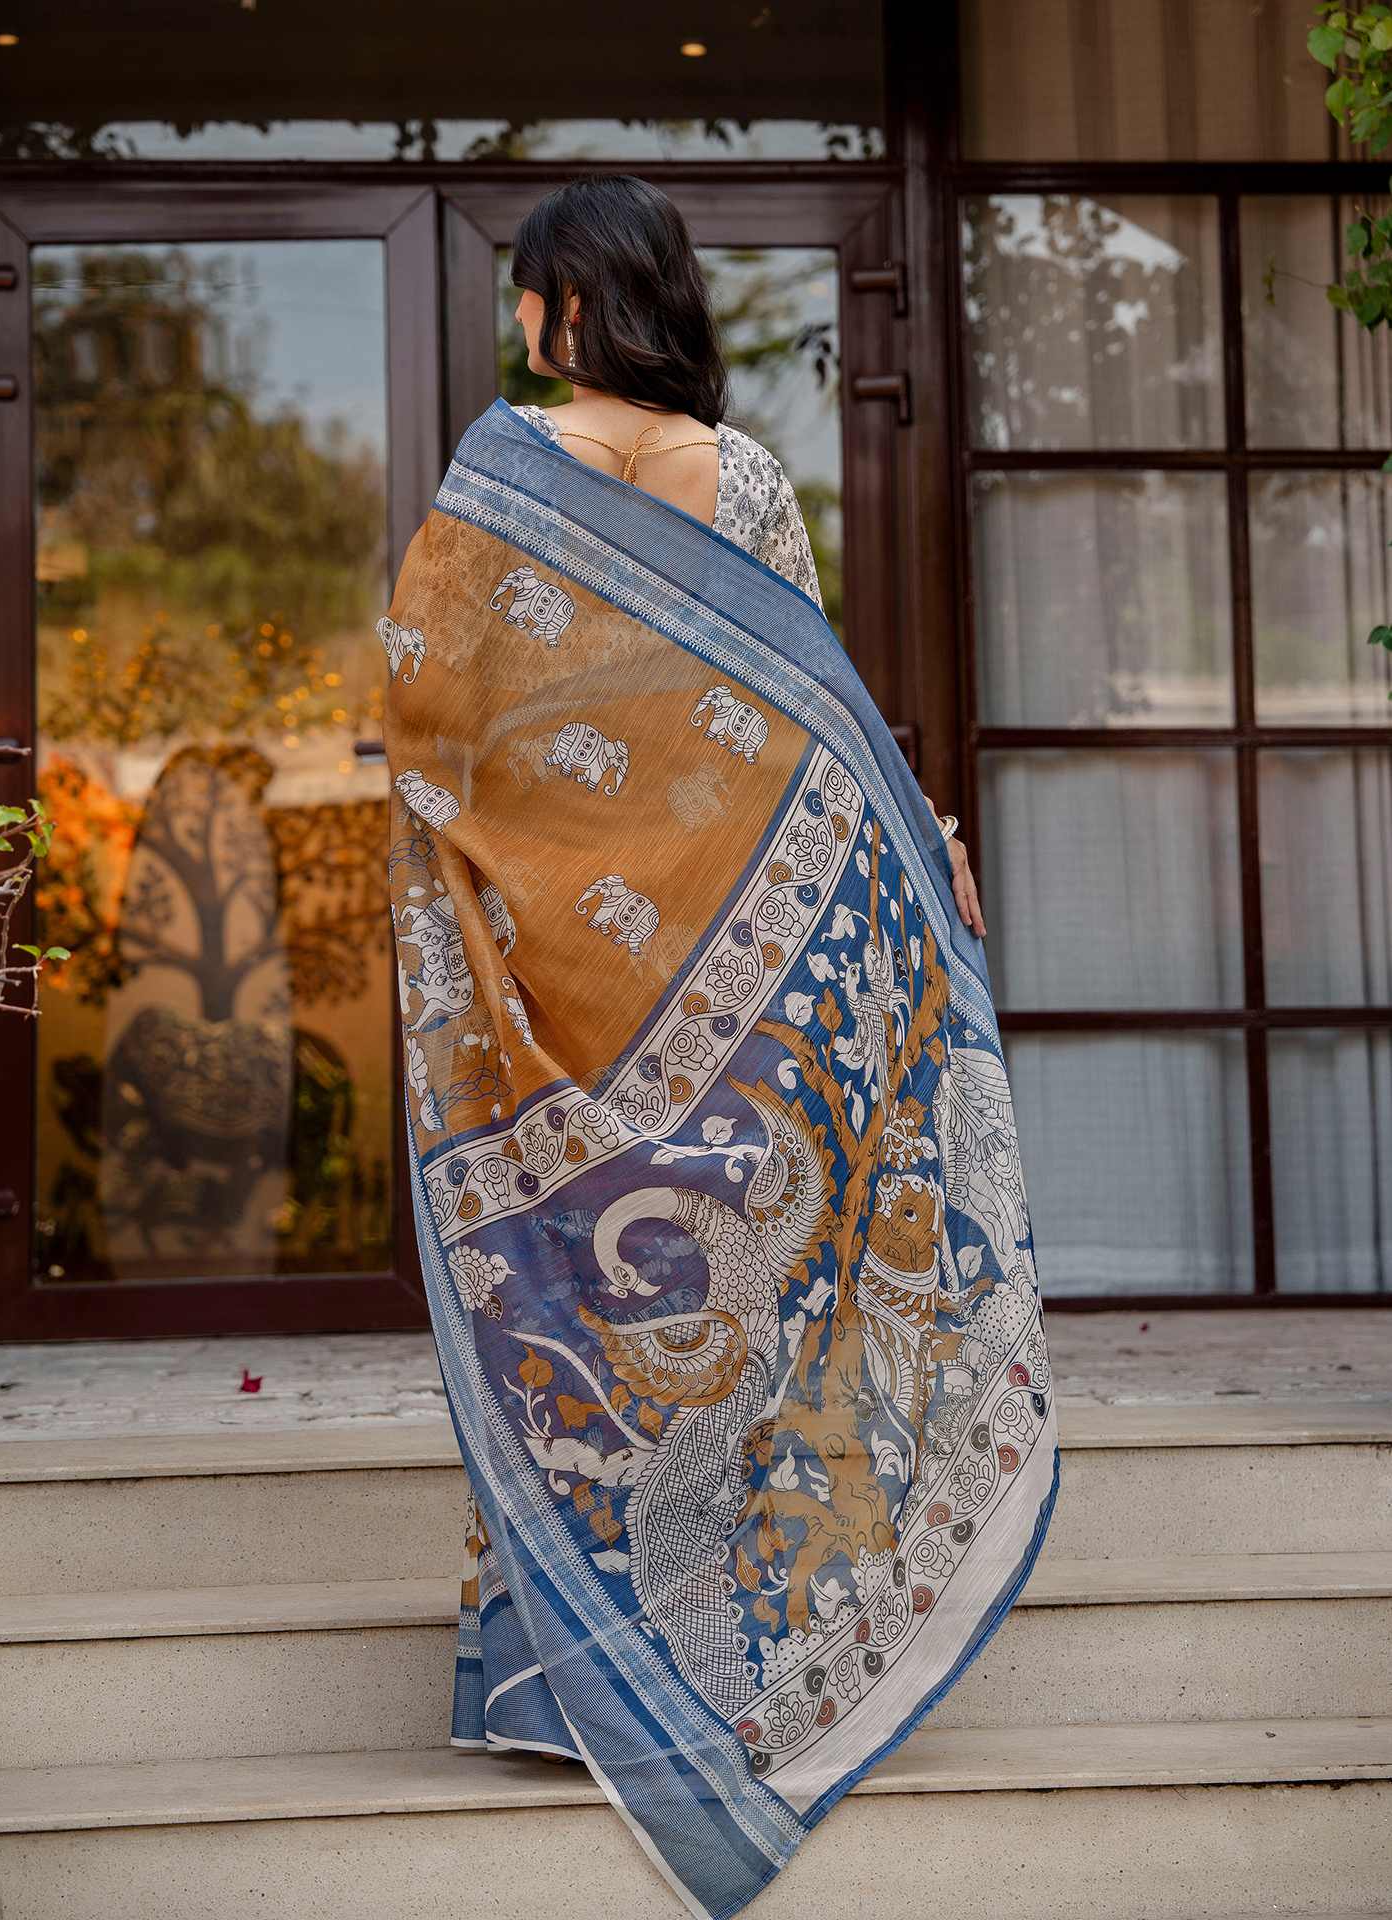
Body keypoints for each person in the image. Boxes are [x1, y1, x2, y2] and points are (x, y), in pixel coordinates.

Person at [378, 173, 1059, 1920]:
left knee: (574, 1296)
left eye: (529, 294)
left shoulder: (493, 479)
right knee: (734, 1305)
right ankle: (743, 1651)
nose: (517, 324)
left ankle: (551, 1688)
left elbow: (434, 729)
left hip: (556, 977)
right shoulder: (738, 479)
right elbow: (805, 707)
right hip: (739, 969)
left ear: (562, 305)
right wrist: (919, 842)